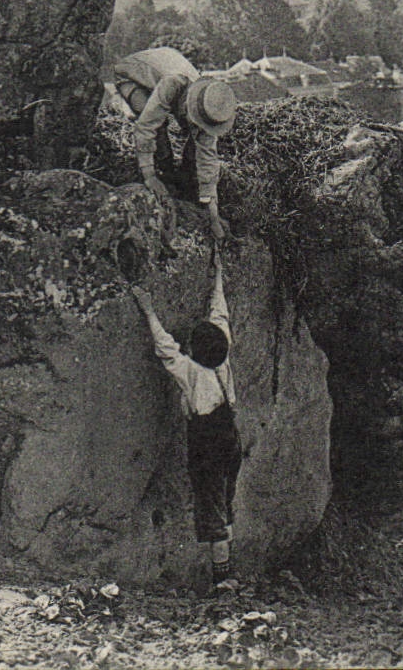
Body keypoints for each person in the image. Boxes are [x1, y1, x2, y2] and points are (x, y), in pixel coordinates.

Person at [131, 249, 241, 583]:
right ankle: (228, 571)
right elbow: (219, 312)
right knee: (225, 498)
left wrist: (148, 308)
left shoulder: (192, 372)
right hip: (230, 437)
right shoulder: (222, 359)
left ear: (194, 350)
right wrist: (218, 273)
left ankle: (223, 582)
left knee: (212, 509)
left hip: (206, 442)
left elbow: (165, 347)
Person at [108, 46, 236, 238]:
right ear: (188, 104)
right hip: (131, 74)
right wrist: (150, 176)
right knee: (156, 124)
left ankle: (184, 181)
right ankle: (164, 172)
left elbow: (208, 160)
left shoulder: (209, 105)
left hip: (168, 65)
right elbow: (145, 128)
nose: (196, 126)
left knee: (198, 143)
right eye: (194, 118)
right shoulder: (172, 85)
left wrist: (213, 216)